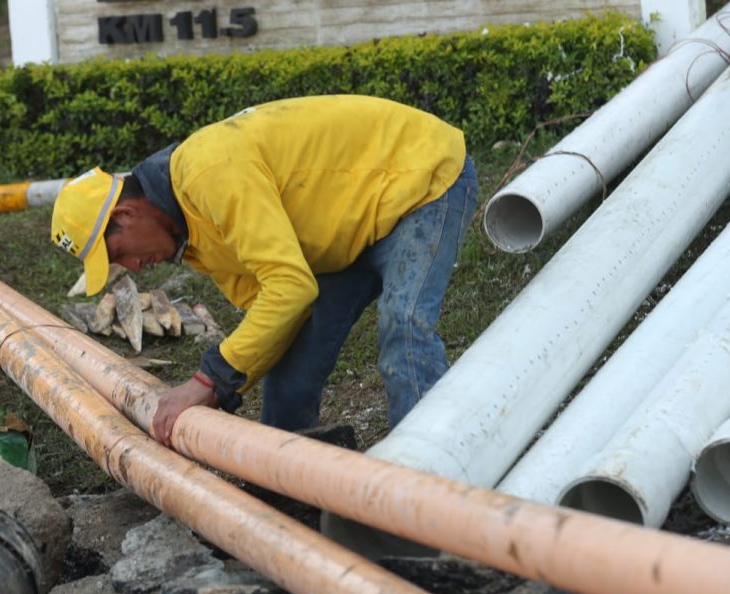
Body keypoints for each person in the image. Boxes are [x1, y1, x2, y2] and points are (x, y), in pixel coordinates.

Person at [51, 94, 478, 447]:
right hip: (348, 223)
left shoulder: (207, 175)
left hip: (418, 180)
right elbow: (275, 314)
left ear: (125, 214)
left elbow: (289, 288)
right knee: (294, 351)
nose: (132, 268)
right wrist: (220, 388)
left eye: (121, 253)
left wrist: (208, 378)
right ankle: (289, 476)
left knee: (404, 327)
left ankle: (437, 473)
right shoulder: (190, 234)